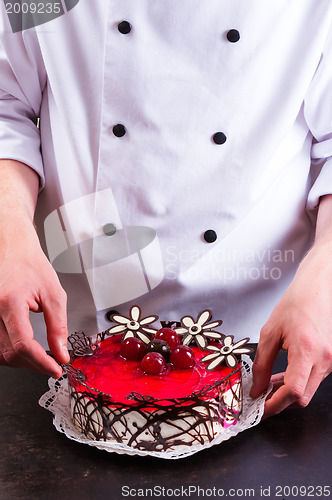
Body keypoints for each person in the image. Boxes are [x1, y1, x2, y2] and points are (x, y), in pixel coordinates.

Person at [0, 1, 331, 418]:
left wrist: (327, 274)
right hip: (63, 331)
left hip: (271, 340)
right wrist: (8, 234)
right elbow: (6, 101)